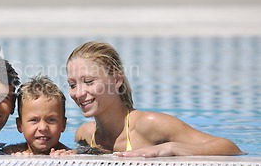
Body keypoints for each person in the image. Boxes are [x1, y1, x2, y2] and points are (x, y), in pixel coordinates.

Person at [67, 41, 243, 157]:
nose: (79, 93)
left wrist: (171, 148)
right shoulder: (85, 135)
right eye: (73, 84)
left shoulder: (149, 125)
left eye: (89, 82)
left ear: (117, 80)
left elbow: (230, 148)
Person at [3, 75, 73, 155]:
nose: (43, 128)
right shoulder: (10, 152)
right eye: (34, 120)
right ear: (20, 125)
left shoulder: (69, 154)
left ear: (63, 124)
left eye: (51, 120)